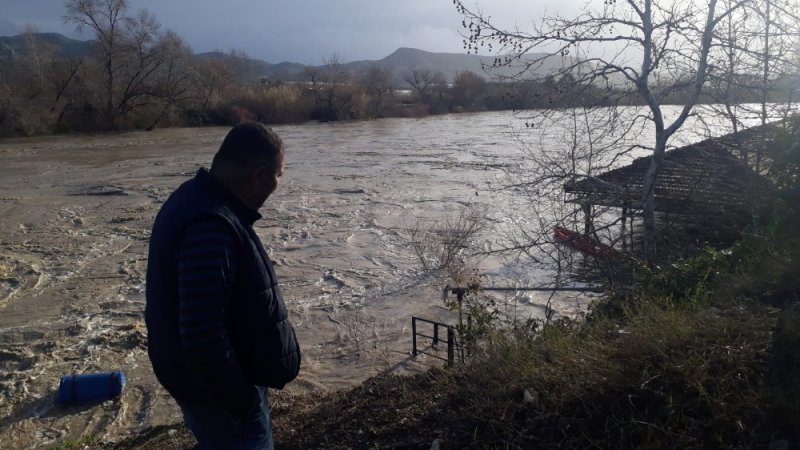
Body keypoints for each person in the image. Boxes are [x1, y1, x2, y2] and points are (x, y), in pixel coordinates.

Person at [145, 122, 301, 449]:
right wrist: (241, 401)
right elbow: (202, 336)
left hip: (211, 388)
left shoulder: (197, 200)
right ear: (259, 175)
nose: (277, 184)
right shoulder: (210, 226)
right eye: (279, 176)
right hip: (221, 399)